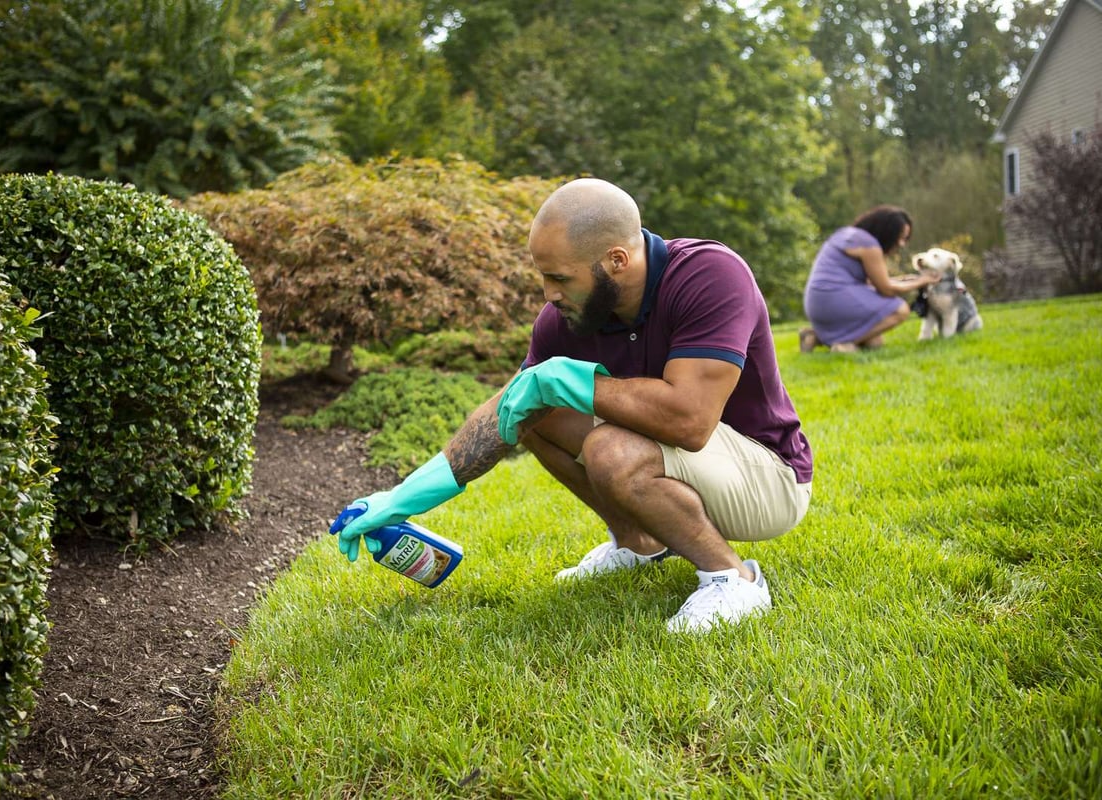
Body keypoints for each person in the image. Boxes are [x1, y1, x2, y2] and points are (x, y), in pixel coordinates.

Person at [331, 178, 813, 634]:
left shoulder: (709, 275)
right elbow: (504, 414)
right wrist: (399, 499)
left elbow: (689, 421)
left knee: (609, 447)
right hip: (696, 465)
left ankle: (733, 579)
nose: (548, 294)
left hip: (767, 478)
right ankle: (638, 544)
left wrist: (568, 379)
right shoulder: (568, 316)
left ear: (617, 260)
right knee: (533, 410)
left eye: (559, 278)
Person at [799, 205, 940, 353]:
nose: (902, 244)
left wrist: (909, 280)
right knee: (900, 310)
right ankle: (843, 344)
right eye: (901, 238)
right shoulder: (869, 246)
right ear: (888, 231)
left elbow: (874, 283)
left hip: (817, 301)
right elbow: (886, 289)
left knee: (875, 342)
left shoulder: (848, 234)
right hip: (834, 298)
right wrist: (921, 281)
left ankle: (813, 337)